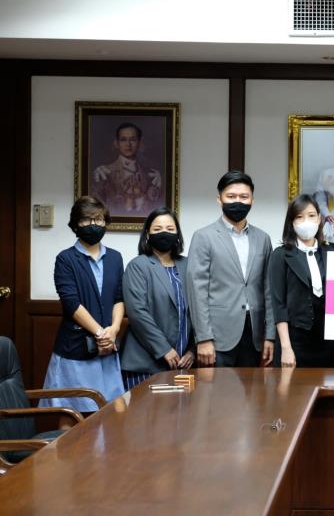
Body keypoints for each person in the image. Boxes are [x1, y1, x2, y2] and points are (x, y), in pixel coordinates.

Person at [40, 196, 124, 416]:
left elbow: (119, 298)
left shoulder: (115, 258)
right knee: (72, 415)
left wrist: (114, 330)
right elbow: (71, 303)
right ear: (76, 224)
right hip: (76, 349)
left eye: (99, 219)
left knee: (109, 415)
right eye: (87, 220)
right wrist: (100, 334)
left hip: (107, 350)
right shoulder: (66, 259)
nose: (93, 225)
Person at [186, 171, 275, 368]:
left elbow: (269, 289)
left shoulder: (263, 239)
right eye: (231, 196)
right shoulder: (204, 237)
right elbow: (197, 291)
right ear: (219, 199)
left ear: (252, 200)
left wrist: (270, 335)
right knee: (216, 388)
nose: (238, 201)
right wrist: (203, 338)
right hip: (218, 335)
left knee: (253, 388)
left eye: (244, 196)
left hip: (255, 333)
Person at [120, 207, 194, 390]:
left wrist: (193, 350)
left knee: (181, 409)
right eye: (157, 229)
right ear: (147, 234)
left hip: (183, 362)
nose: (164, 233)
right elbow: (137, 313)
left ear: (177, 234)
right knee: (144, 409)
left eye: (170, 229)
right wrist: (164, 349)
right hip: (145, 363)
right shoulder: (138, 266)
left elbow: (199, 309)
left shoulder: (188, 265)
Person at [269, 194, 334, 368]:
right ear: (291, 222)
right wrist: (286, 348)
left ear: (319, 218)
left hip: (326, 342)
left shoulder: (332, 253)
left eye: (311, 216)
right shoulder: (281, 255)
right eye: (299, 217)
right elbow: (278, 305)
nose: (306, 221)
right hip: (293, 341)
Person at [92, 122, 162, 215]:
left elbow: (155, 209)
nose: (128, 144)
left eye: (133, 139)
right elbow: (96, 210)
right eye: (123, 140)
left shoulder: (152, 175)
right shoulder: (104, 173)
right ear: (116, 144)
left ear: (140, 143)